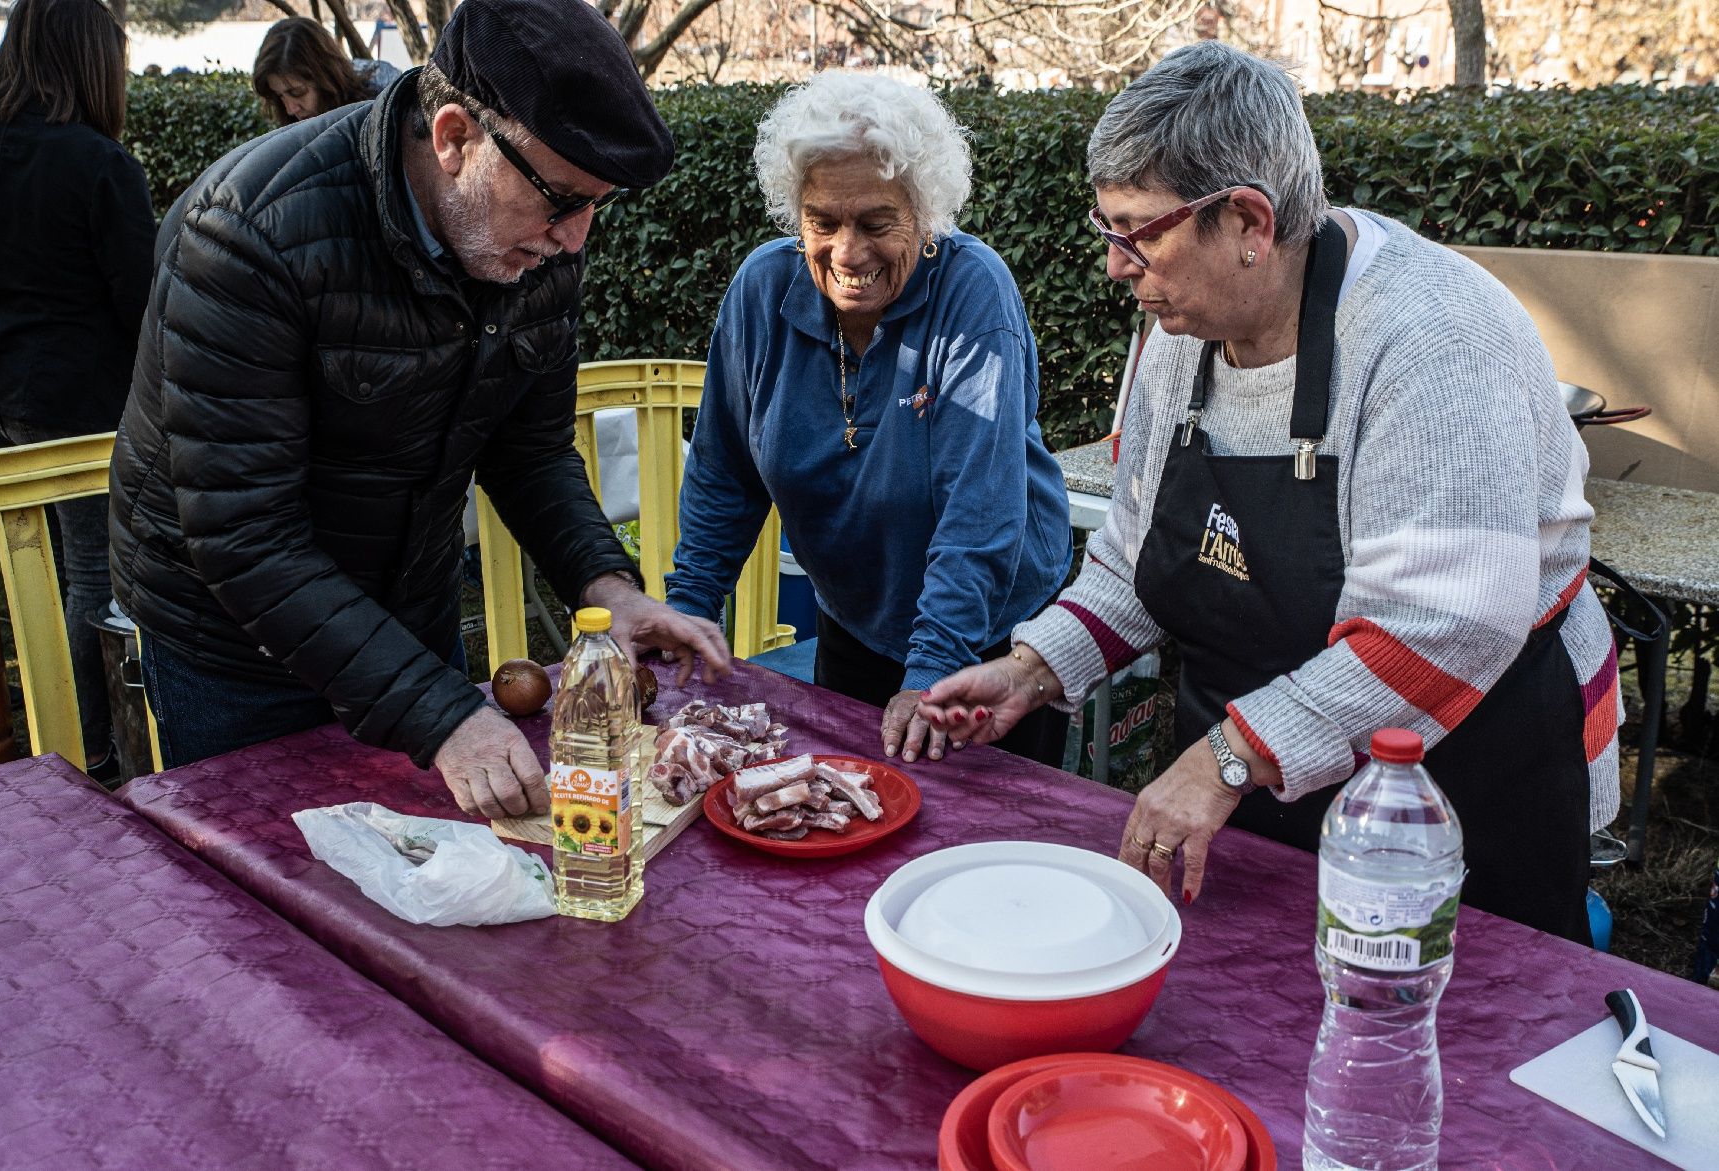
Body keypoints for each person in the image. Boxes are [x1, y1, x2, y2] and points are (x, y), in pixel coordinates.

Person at [920, 41, 1619, 943]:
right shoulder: (1183, 327)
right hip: (1258, 756)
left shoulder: (1434, 339)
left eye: (1138, 232)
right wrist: (1031, 668)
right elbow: (1140, 555)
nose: (1114, 266)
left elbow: (1441, 626)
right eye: (1109, 231)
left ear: (1249, 221)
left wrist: (1224, 761)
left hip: (1462, 773)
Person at [109, 0, 730, 818]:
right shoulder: (248, 231)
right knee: (264, 915)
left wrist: (607, 583)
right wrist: (438, 713)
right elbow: (244, 534)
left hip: (406, 607)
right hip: (234, 650)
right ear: (452, 137)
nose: (576, 239)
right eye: (559, 199)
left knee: (434, 883)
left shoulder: (531, 241)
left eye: (595, 205)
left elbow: (531, 448)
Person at [664, 73, 1073, 768]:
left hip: (989, 638)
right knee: (846, 815)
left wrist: (930, 673)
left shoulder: (973, 293)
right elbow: (723, 477)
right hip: (855, 614)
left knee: (975, 844)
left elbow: (979, 516)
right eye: (822, 221)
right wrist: (689, 611)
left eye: (877, 222)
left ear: (925, 211)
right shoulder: (762, 292)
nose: (848, 252)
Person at [0, 0, 156, 785]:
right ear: (89, 60)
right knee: (92, 580)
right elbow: (143, 299)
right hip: (78, 412)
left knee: (17, 576)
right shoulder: (98, 163)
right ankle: (90, 751)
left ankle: (42, 736)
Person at [252, 17, 401, 125]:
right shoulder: (294, 124)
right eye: (280, 96)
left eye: (297, 92)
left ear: (326, 76)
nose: (290, 109)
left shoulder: (384, 102)